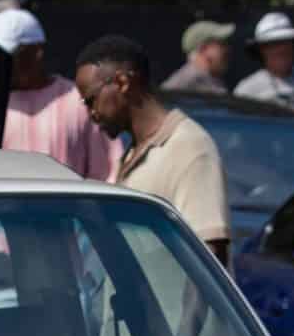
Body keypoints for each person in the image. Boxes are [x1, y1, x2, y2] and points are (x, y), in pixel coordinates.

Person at [73, 32, 230, 265]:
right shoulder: (132, 153)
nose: (91, 114)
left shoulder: (190, 147)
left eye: (91, 100)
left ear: (122, 83)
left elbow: (208, 257)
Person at [0, 6, 116, 180]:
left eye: (9, 56)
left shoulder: (79, 100)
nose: (1, 63)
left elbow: (106, 172)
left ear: (37, 52)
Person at [161, 18, 234, 96]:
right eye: (222, 44)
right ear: (203, 48)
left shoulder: (210, 79)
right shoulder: (187, 82)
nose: (228, 50)